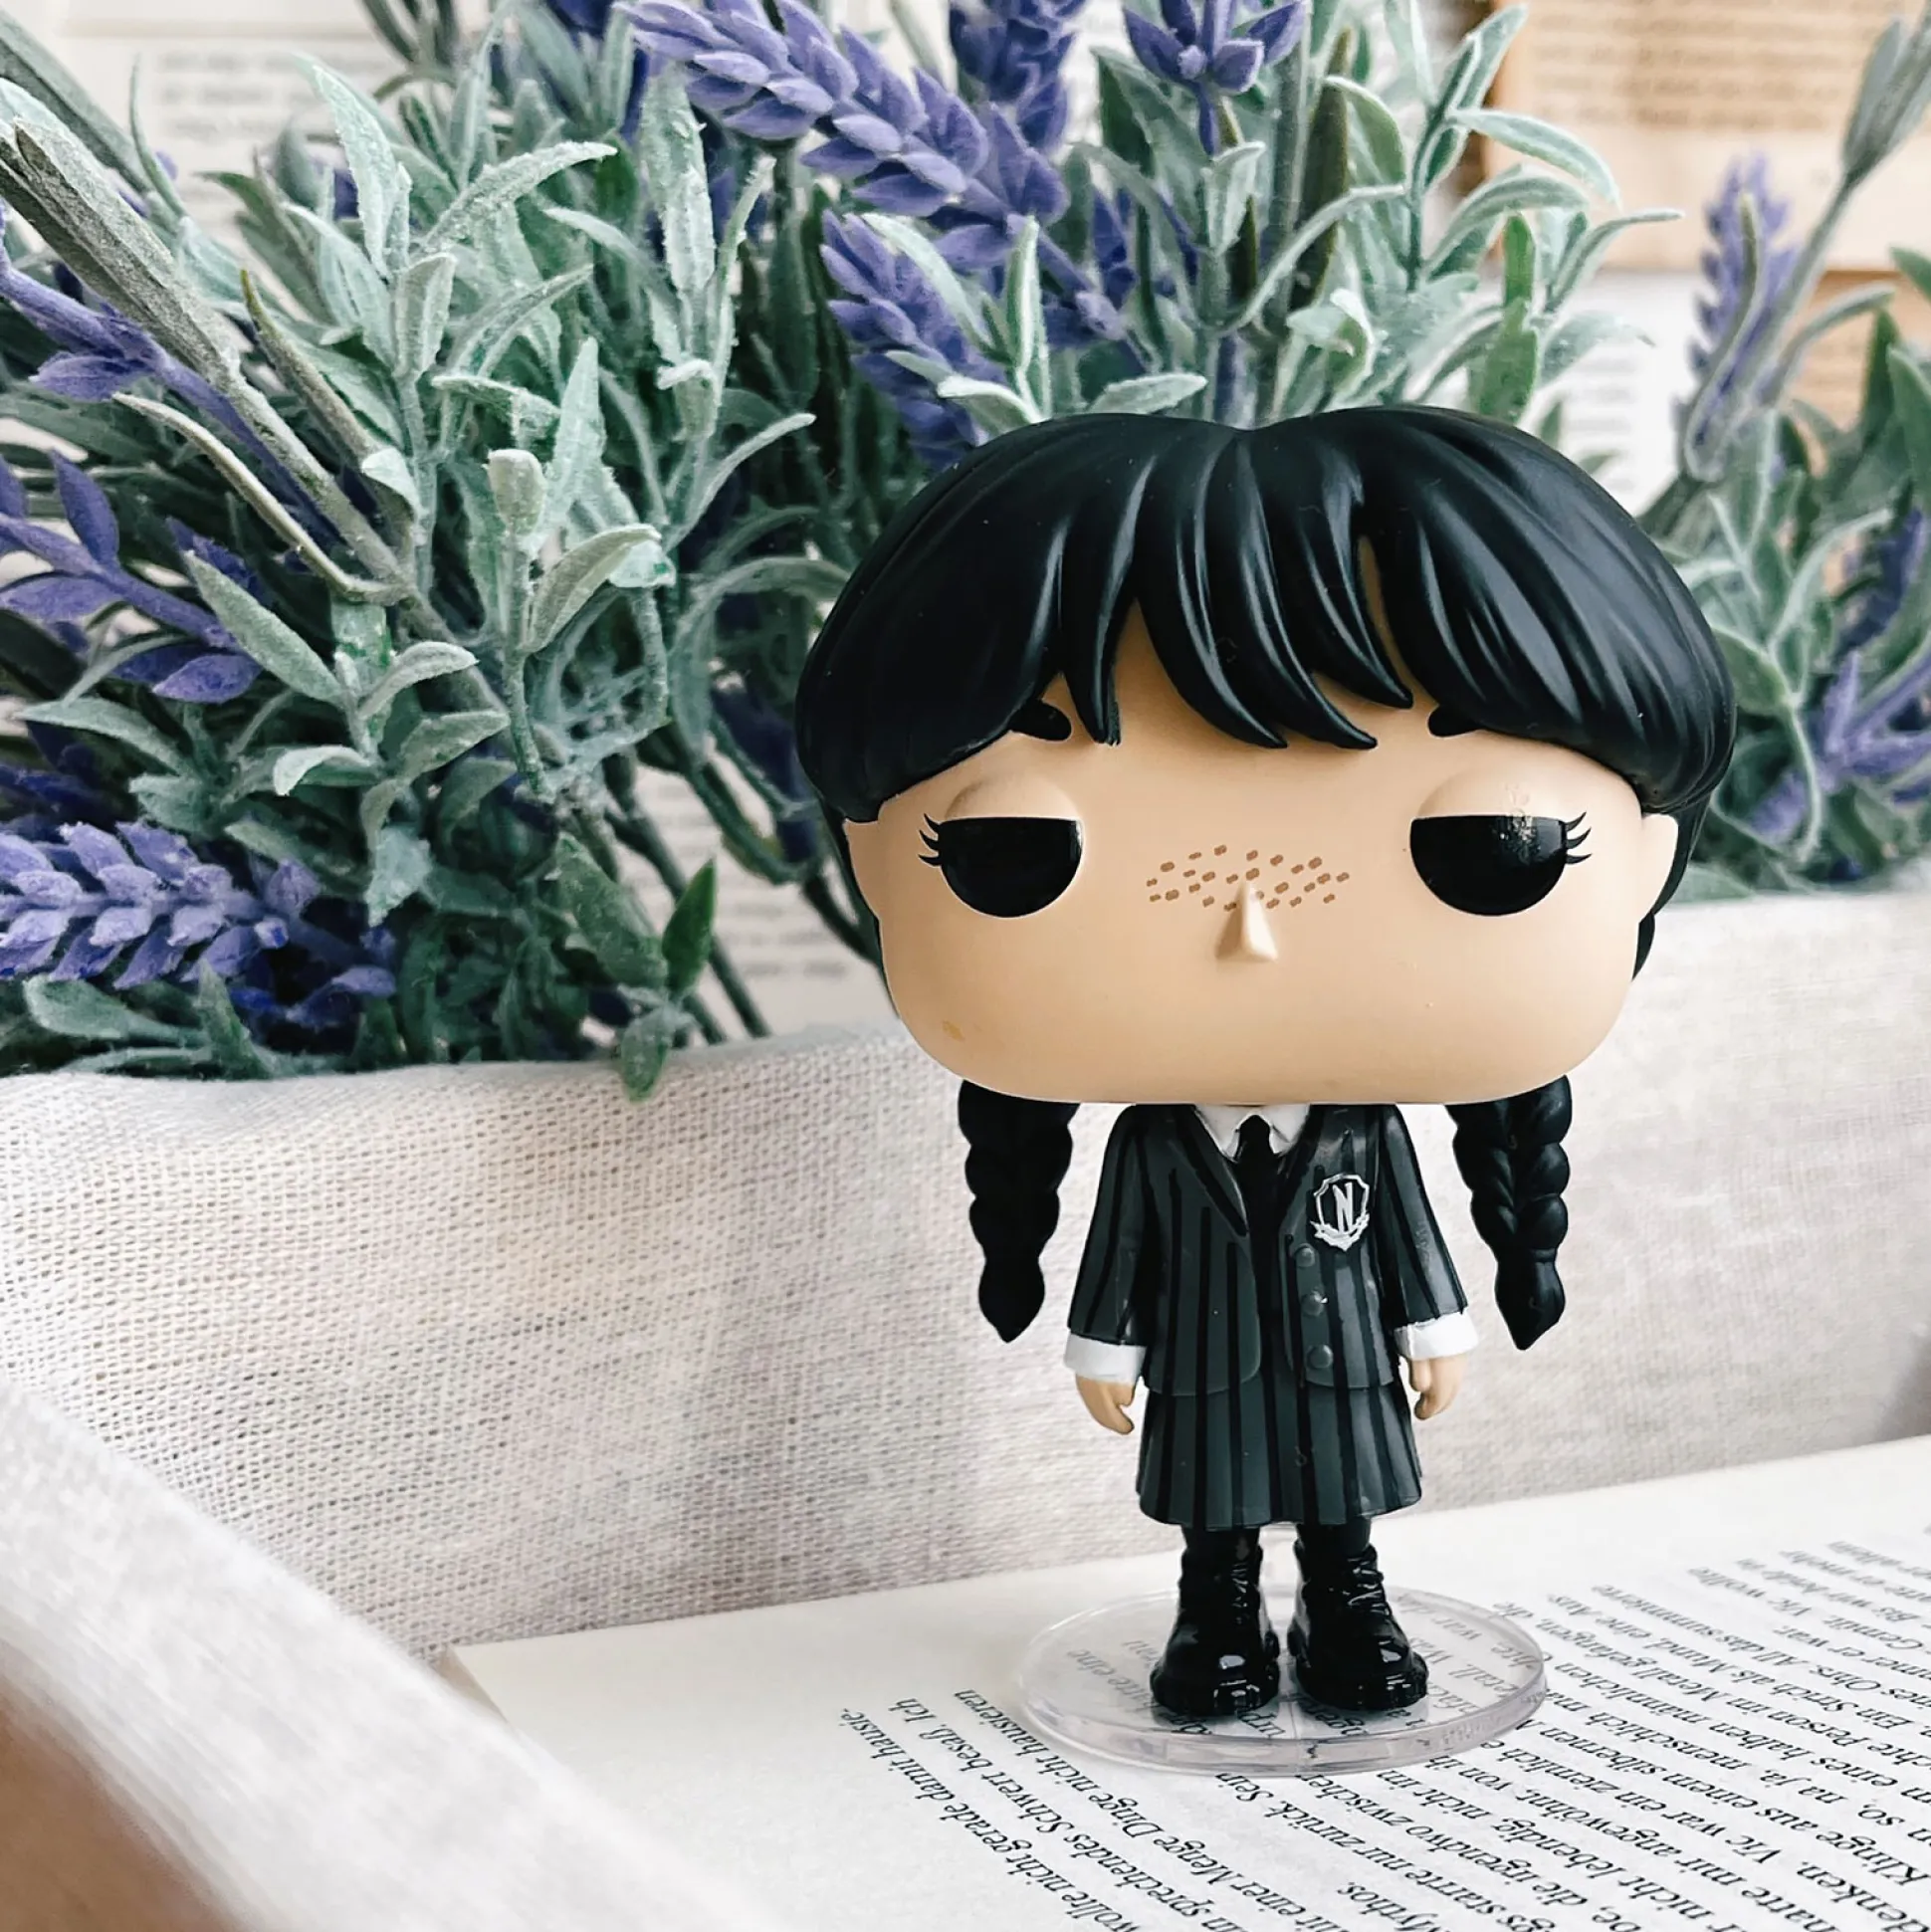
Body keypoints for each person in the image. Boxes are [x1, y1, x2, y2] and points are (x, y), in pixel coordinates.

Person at [793, 407, 1734, 1719]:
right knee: (1215, 1530)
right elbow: (1122, 1249)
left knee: (1345, 1521)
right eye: (1016, 849)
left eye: (1489, 843)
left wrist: (1436, 1326)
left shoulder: (1363, 1139)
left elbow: (1408, 1240)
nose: (1252, 926)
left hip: (1345, 1368)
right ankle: (1217, 1624)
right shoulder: (1155, 1144)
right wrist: (1103, 1346)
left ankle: (1353, 1615)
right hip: (1201, 1381)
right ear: (872, 865)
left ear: (1649, 858)